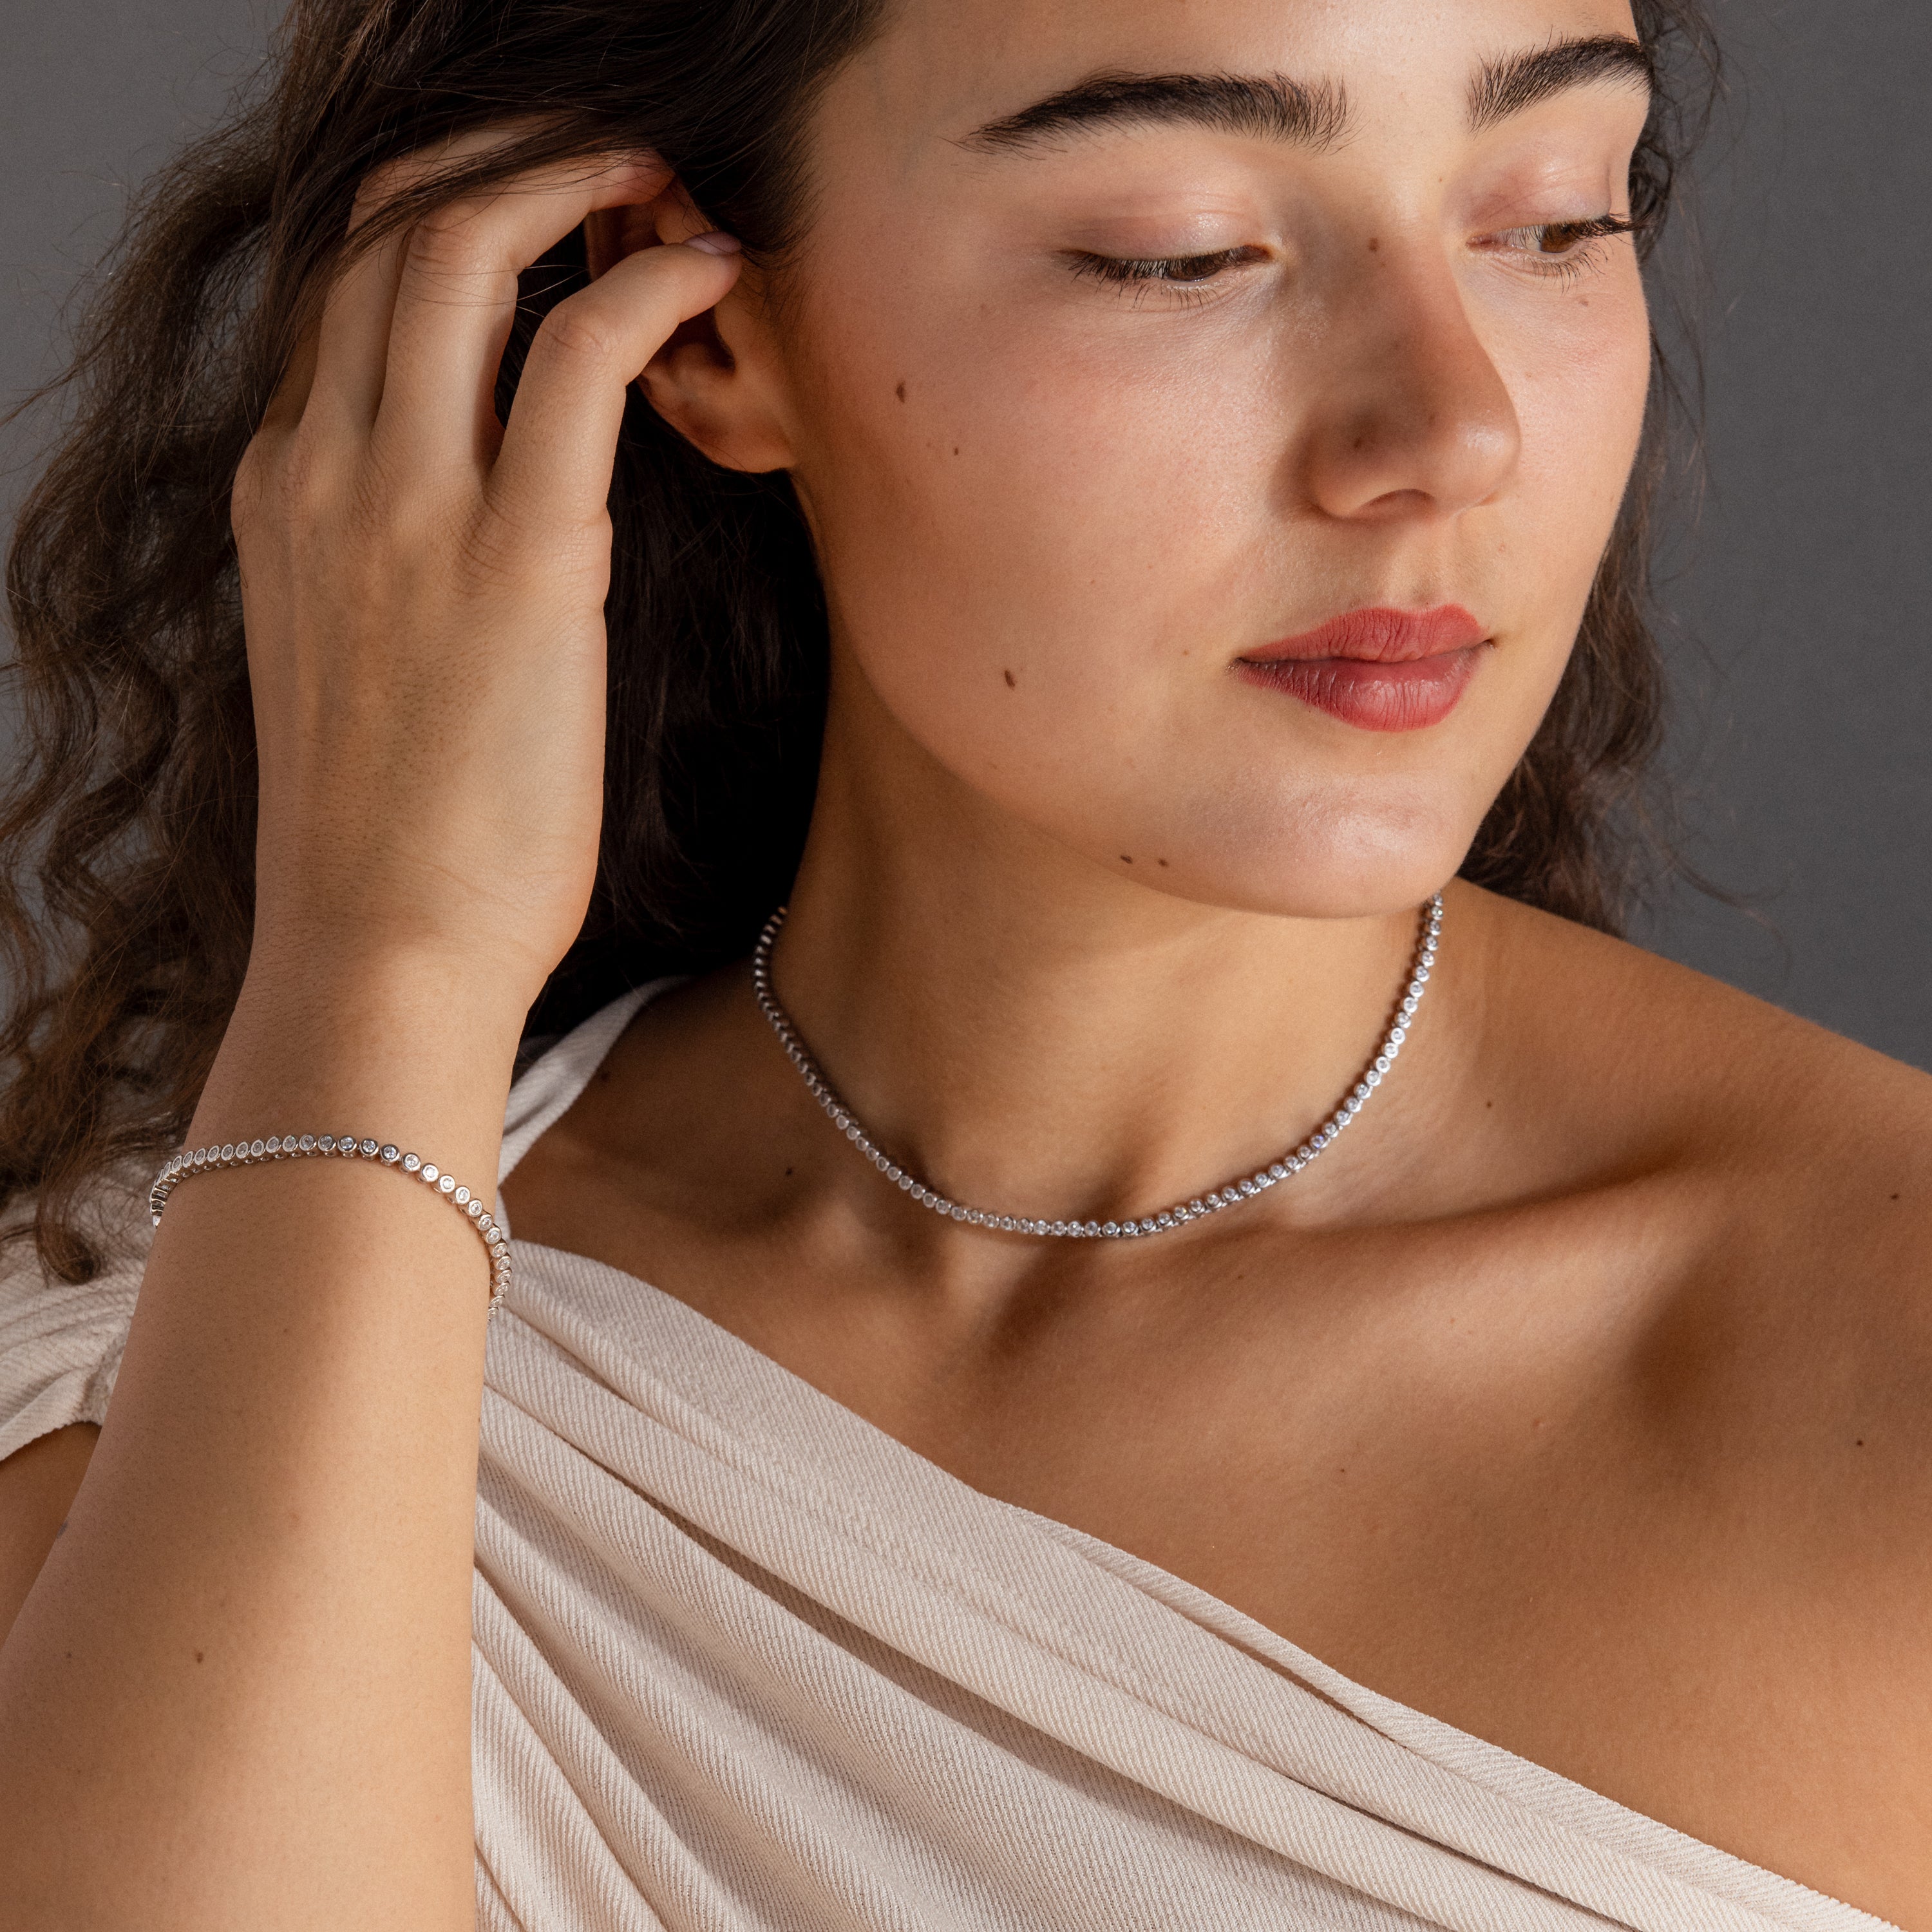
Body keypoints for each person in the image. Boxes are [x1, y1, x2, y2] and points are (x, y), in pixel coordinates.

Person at [0, 0, 1926, 1924]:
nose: (1451, 431)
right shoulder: (200, 1342)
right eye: (1180, 249)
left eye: (1555, 218)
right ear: (709, 329)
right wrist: (388, 962)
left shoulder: (1880, 1358)